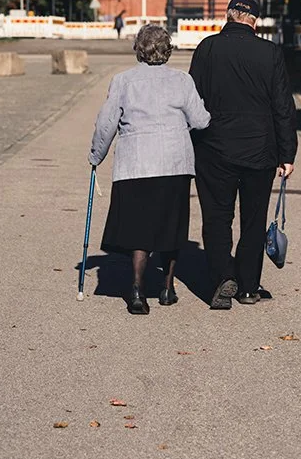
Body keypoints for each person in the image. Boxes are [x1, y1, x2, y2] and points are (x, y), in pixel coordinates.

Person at [89, 24, 210, 315]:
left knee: (138, 229)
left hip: (135, 164)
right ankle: (167, 289)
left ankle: (137, 290)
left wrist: (96, 156)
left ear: (138, 49)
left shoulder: (123, 81)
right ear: (167, 49)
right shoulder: (182, 81)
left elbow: (106, 124)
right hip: (173, 164)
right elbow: (202, 120)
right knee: (171, 225)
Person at [189, 0, 297, 309]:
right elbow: (283, 107)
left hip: (214, 147)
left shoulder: (207, 48)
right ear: (255, 21)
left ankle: (224, 276)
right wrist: (287, 154)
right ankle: (249, 287)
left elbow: (193, 99)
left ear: (228, 15)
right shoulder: (270, 52)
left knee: (217, 216)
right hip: (260, 150)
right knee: (253, 218)